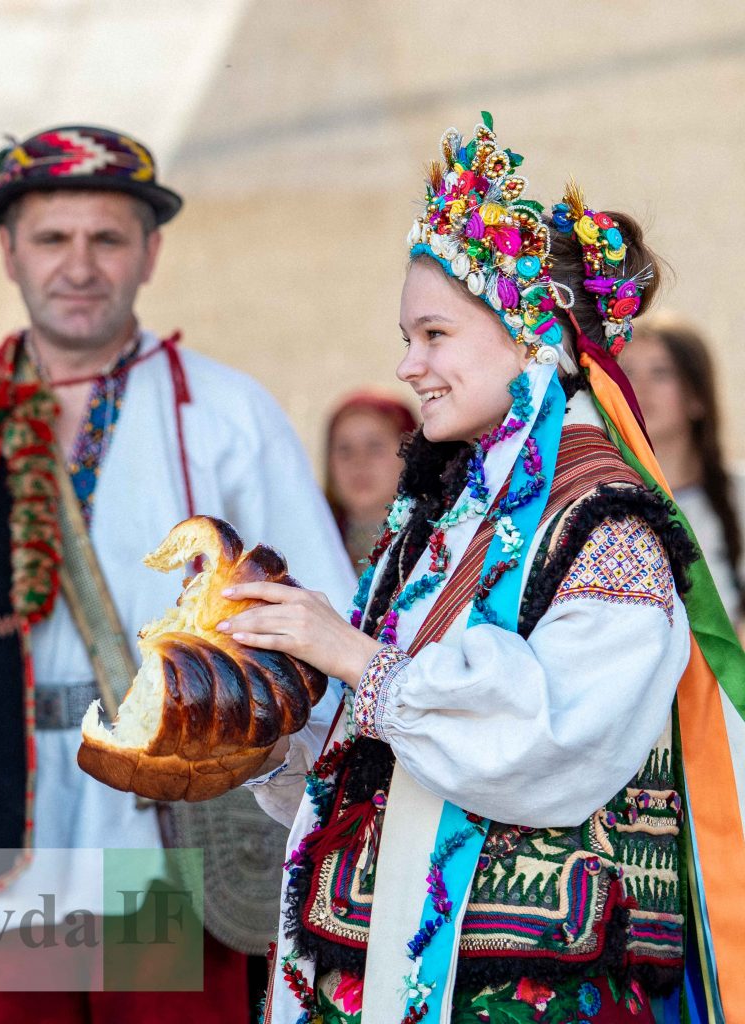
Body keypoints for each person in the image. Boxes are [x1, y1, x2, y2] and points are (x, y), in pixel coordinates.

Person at [226, 112, 745, 1023]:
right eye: (406, 336)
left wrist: (350, 653)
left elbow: (553, 739)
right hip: (381, 968)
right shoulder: (453, 509)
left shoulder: (604, 517)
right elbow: (389, 736)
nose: (407, 364)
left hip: (521, 995)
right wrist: (276, 714)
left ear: (533, 335)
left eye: (434, 335)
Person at [0, 125, 355, 1022]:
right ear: (8, 251)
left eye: (107, 238)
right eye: (52, 238)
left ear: (150, 252)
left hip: (167, 822)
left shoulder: (230, 414)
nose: (79, 265)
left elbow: (322, 619)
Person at [622, 315, 745, 628]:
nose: (639, 387)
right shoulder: (598, 502)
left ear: (697, 397)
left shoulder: (738, 497)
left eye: (661, 373)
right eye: (627, 372)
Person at [325, 393, 418, 565]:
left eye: (375, 447)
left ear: (411, 455)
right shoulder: (308, 544)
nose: (359, 462)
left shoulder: (440, 544)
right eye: (345, 450)